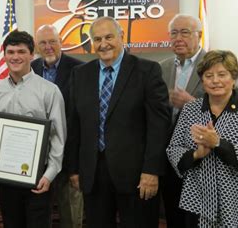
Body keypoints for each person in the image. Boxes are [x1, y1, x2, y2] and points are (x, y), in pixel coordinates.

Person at [66, 16, 170, 228]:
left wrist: (151, 171)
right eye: (97, 39)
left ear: (122, 36)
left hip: (137, 176)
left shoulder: (147, 71)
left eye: (109, 37)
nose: (103, 44)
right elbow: (74, 125)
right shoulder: (80, 74)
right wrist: (74, 169)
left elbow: (158, 126)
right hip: (93, 174)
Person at [160, 14, 238, 228]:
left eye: (185, 32)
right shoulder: (162, 67)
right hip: (171, 154)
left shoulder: (216, 63)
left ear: (199, 36)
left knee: (203, 217)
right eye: (174, 33)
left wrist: (192, 102)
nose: (178, 38)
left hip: (207, 155)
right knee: (174, 213)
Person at [166, 50, 238, 227]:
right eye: (209, 75)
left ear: (233, 78)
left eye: (222, 74)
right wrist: (196, 155)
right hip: (198, 200)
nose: (215, 80)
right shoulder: (190, 110)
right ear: (202, 81)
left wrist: (218, 144)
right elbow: (173, 149)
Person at [0, 30, 66, 228]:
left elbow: (58, 137)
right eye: (10, 52)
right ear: (5, 56)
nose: (15, 57)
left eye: (21, 51)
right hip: (6, 175)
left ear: (32, 54)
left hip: (38, 178)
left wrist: (50, 174)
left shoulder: (49, 90)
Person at [32, 24, 84, 228]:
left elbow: (82, 117)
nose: (48, 47)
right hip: (37, 158)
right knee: (39, 215)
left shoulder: (80, 69)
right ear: (36, 46)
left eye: (52, 41)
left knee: (71, 215)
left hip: (70, 155)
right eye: (43, 43)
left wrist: (76, 166)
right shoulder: (31, 68)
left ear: (61, 42)